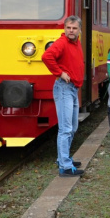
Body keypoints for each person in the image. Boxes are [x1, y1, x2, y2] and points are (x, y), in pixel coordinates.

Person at [41, 15, 85, 177]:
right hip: (64, 88)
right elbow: (46, 57)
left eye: (74, 28)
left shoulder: (76, 42)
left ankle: (63, 158)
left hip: (73, 89)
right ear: (64, 29)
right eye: (68, 28)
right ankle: (65, 166)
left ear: (79, 30)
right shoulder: (62, 42)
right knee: (66, 129)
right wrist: (60, 73)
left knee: (73, 127)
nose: (71, 31)